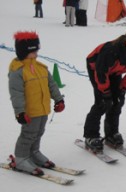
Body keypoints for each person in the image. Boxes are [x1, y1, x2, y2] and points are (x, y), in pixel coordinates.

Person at [8, 31, 65, 175]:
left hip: (43, 108)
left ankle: (33, 152)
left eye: (37, 50)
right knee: (28, 134)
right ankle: (21, 158)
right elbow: (16, 94)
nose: (37, 53)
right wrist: (20, 112)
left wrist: (59, 99)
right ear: (23, 52)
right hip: (29, 111)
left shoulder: (41, 68)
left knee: (39, 132)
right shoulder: (18, 71)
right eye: (33, 51)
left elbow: (51, 85)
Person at [83, 27, 126, 151]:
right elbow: (101, 73)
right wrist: (105, 93)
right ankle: (91, 136)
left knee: (117, 102)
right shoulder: (111, 51)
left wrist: (122, 89)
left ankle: (112, 133)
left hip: (115, 71)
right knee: (102, 103)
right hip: (97, 69)